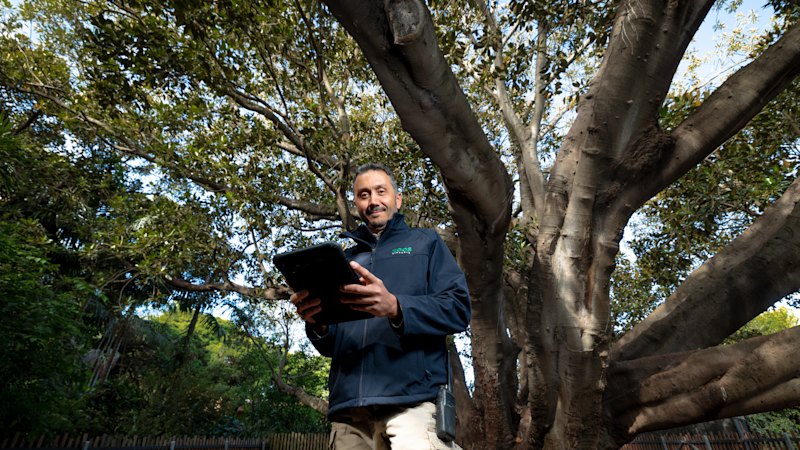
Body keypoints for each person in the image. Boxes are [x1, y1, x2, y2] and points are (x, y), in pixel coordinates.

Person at [290, 162, 471, 450]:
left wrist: (397, 307)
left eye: (380, 191)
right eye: (364, 195)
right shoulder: (344, 260)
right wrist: (318, 324)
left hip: (411, 402)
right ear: (357, 204)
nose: (373, 200)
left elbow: (458, 308)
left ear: (397, 199)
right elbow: (331, 344)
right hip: (350, 413)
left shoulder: (426, 243)